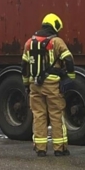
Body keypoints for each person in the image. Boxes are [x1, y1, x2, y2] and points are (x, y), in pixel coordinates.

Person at [22, 13, 75, 157]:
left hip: (34, 85)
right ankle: (60, 148)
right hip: (52, 84)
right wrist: (70, 77)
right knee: (56, 115)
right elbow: (68, 60)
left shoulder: (29, 43)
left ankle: (40, 148)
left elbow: (24, 66)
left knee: (39, 115)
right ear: (55, 26)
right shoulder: (57, 41)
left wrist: (26, 83)